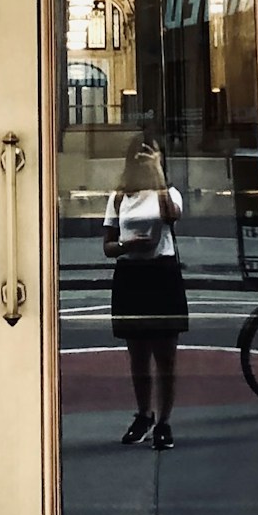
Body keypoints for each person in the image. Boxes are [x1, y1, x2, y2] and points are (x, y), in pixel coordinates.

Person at [103, 134, 188, 448]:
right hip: (131, 274)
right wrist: (127, 245)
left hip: (162, 273)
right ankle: (144, 414)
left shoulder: (169, 193)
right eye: (140, 157)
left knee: (165, 356)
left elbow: (171, 215)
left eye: (152, 155)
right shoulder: (118, 197)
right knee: (137, 355)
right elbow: (108, 246)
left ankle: (164, 421)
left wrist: (159, 176)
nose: (145, 161)